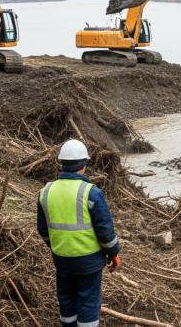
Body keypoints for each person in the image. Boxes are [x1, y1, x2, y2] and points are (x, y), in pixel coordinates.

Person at [37, 140, 121, 327]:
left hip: (62, 259)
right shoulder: (92, 193)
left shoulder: (46, 192)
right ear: (84, 164)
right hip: (88, 262)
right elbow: (105, 231)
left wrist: (54, 247)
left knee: (66, 299)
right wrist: (113, 252)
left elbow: (43, 229)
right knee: (88, 302)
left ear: (62, 163)